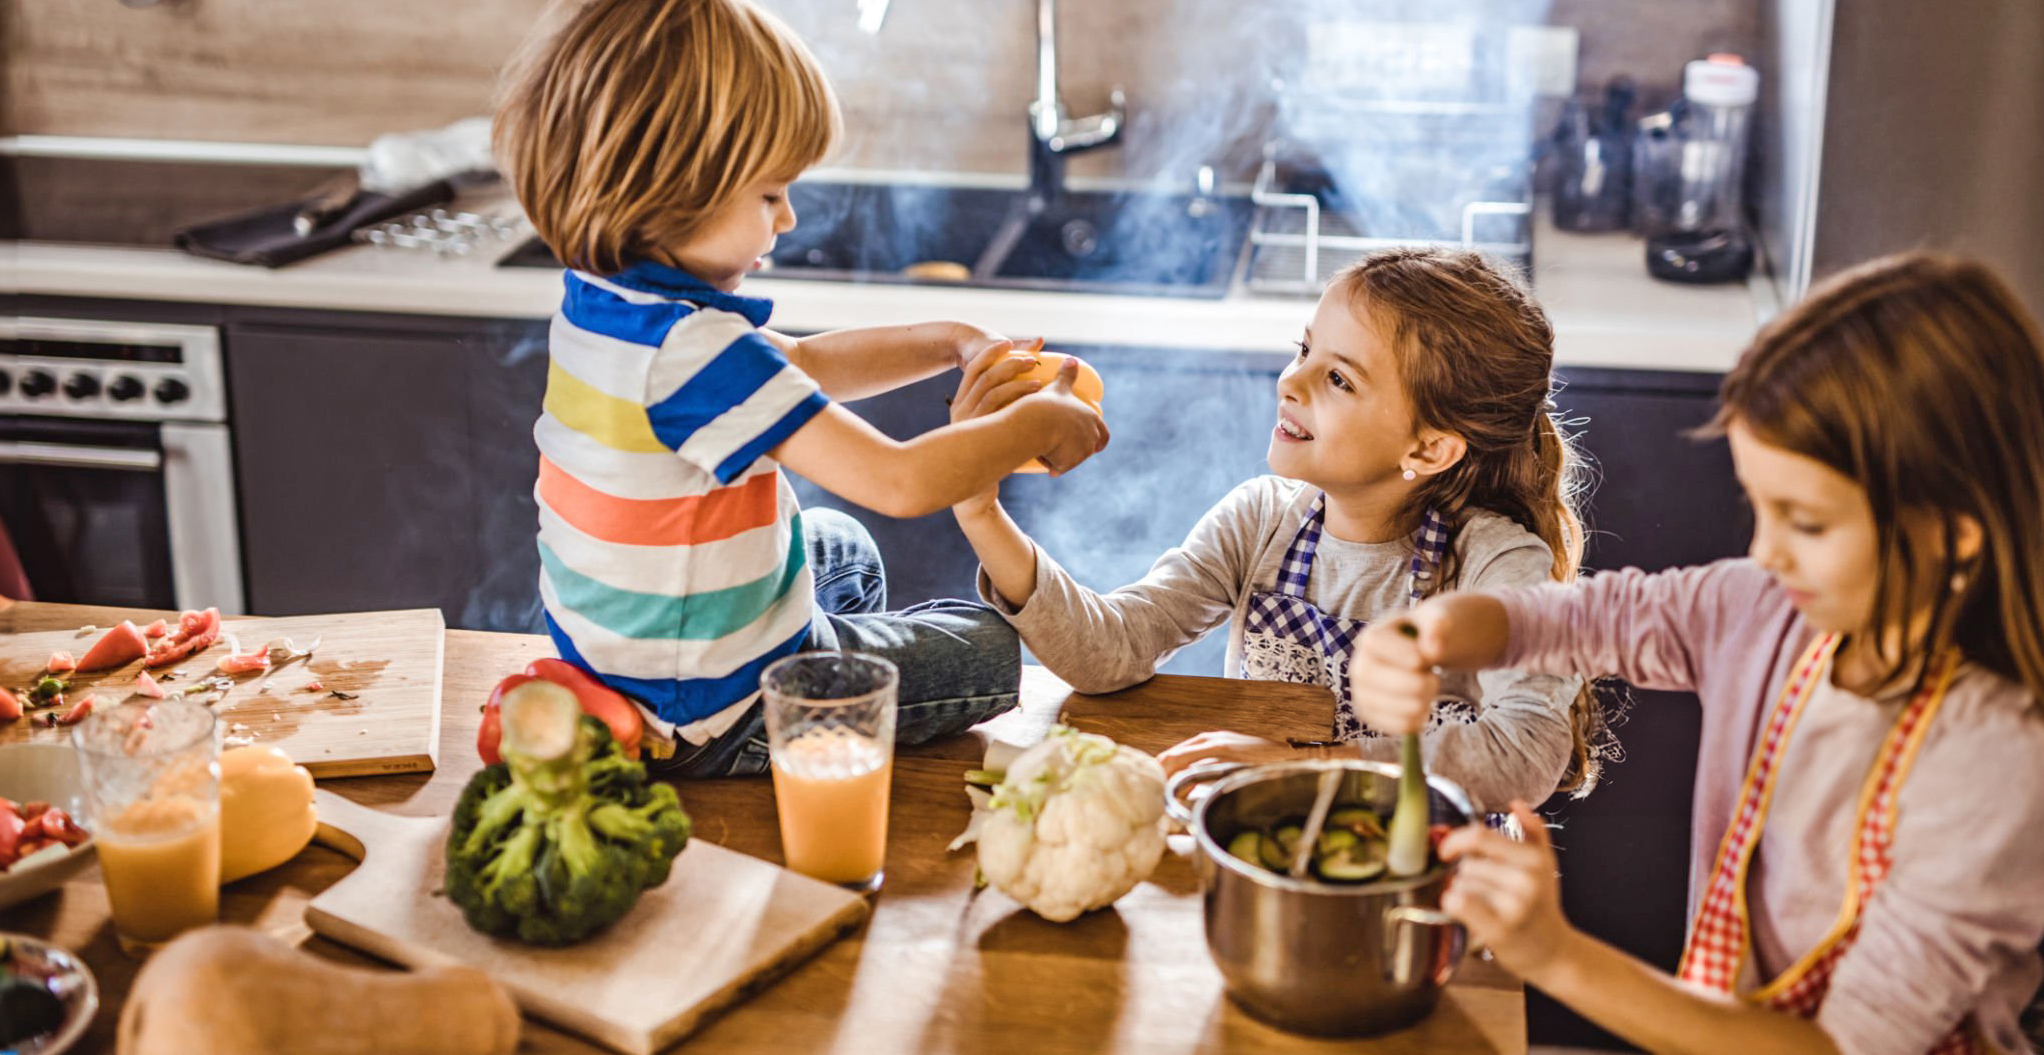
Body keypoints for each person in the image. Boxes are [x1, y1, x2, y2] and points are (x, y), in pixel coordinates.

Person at [1351, 254, 2044, 1055]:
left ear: (1952, 532)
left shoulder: (1997, 767)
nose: (1765, 551)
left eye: (1806, 522)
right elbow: (1575, 619)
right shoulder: (1765, 611)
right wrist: (1431, 634)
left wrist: (1554, 955)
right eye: (1759, 506)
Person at [493, 0, 1109, 775]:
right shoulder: (697, 353)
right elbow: (899, 480)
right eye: (768, 193)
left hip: (624, 655)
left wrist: (957, 341)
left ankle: (833, 677)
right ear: (671, 189)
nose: (787, 218)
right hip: (714, 708)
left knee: (840, 549)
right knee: (989, 649)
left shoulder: (611, 305)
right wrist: (1035, 422)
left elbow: (805, 365)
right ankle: (810, 712)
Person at [954, 247, 1604, 808]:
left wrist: (1308, 765)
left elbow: (1526, 749)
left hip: (1433, 885)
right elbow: (1111, 650)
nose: (1291, 380)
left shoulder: (1496, 564)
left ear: (1431, 448)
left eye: (1339, 378)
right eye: (1304, 349)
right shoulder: (1261, 520)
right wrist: (979, 508)